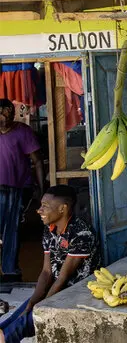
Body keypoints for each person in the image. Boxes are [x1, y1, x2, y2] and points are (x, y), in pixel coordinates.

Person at [25, 185, 100, 313]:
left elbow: (62, 278)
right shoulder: (49, 229)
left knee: (21, 325)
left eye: (45, 206)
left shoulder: (81, 234)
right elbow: (46, 272)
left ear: (62, 208)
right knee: (19, 315)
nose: (39, 210)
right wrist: (33, 302)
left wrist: (42, 307)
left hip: (74, 296)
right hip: (54, 289)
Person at [0, 98, 44, 282]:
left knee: (12, 229)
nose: (3, 117)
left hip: (17, 188)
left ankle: (10, 270)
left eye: (5, 112)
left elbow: (37, 161)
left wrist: (42, 190)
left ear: (11, 112)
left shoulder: (22, 132)